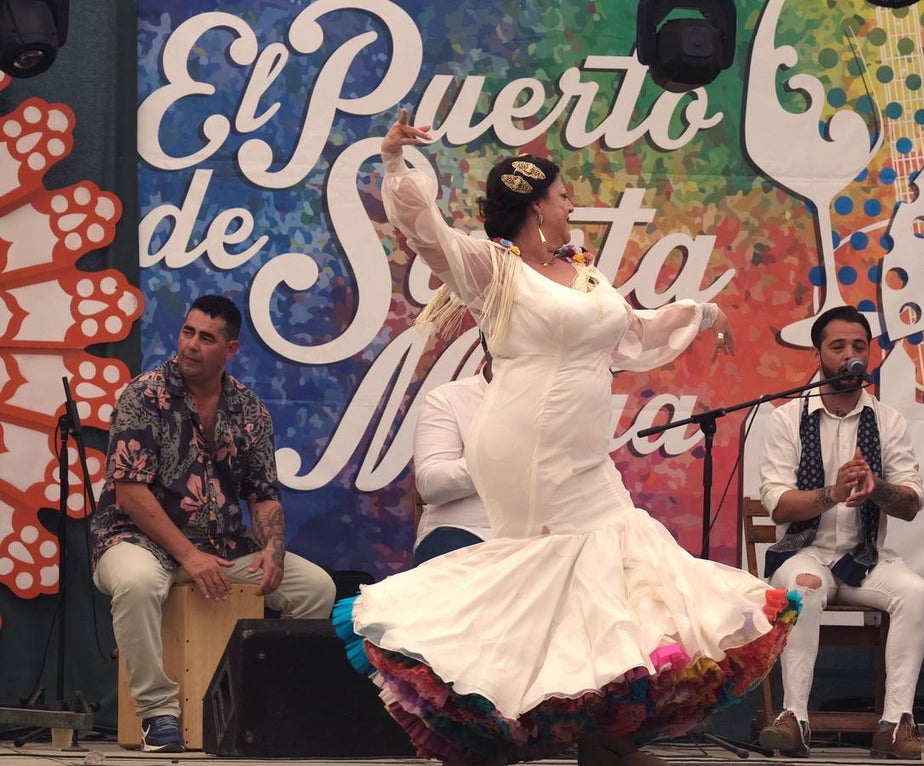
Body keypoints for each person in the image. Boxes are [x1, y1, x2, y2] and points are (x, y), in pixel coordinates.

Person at [333, 110, 800, 766]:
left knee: (615, 562)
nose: (572, 202)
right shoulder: (495, 272)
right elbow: (426, 230)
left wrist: (702, 312)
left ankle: (591, 728)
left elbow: (632, 334)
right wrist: (392, 164)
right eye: (562, 193)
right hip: (524, 442)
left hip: (582, 450)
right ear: (533, 204)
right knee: (561, 570)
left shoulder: (582, 275)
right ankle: (518, 711)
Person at [90, 295, 336, 753]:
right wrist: (188, 556)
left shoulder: (250, 410)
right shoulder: (144, 395)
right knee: (137, 583)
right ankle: (157, 713)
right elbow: (130, 492)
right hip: (134, 539)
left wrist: (273, 550)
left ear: (231, 349)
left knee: (316, 589)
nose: (191, 345)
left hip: (221, 545)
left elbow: (263, 496)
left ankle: (266, 706)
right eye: (188, 332)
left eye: (206, 338)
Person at [756, 305, 924, 760]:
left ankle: (894, 724)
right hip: (804, 551)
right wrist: (833, 493)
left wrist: (879, 490)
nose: (850, 355)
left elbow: (910, 503)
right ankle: (793, 718)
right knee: (803, 587)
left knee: (914, 591)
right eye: (838, 347)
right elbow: (778, 504)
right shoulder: (787, 419)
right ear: (818, 354)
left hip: (865, 558)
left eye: (859, 346)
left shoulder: (887, 421)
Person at [411, 338, 493, 566]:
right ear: (491, 346)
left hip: (545, 539)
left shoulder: (564, 402)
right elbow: (431, 485)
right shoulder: (448, 399)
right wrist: (501, 456)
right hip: (467, 533)